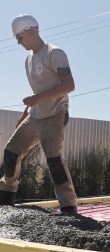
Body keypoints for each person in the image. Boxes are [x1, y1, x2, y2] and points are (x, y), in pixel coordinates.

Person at [0, 14, 77, 214]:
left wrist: (38, 99)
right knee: (11, 152)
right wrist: (25, 112)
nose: (18, 42)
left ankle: (69, 208)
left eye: (19, 37)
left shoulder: (55, 53)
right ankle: (6, 197)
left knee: (54, 161)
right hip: (34, 116)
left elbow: (69, 85)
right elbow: (36, 92)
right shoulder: (28, 59)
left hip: (54, 114)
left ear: (31, 32)